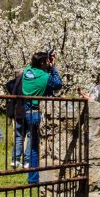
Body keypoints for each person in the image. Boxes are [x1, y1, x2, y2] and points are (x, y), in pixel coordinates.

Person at [18, 51, 63, 184]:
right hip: (38, 113)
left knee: (33, 146)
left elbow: (37, 68)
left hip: (27, 113)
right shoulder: (44, 76)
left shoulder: (27, 72)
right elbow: (57, 84)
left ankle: (33, 178)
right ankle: (42, 176)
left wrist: (46, 62)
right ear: (44, 63)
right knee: (43, 146)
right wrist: (54, 67)